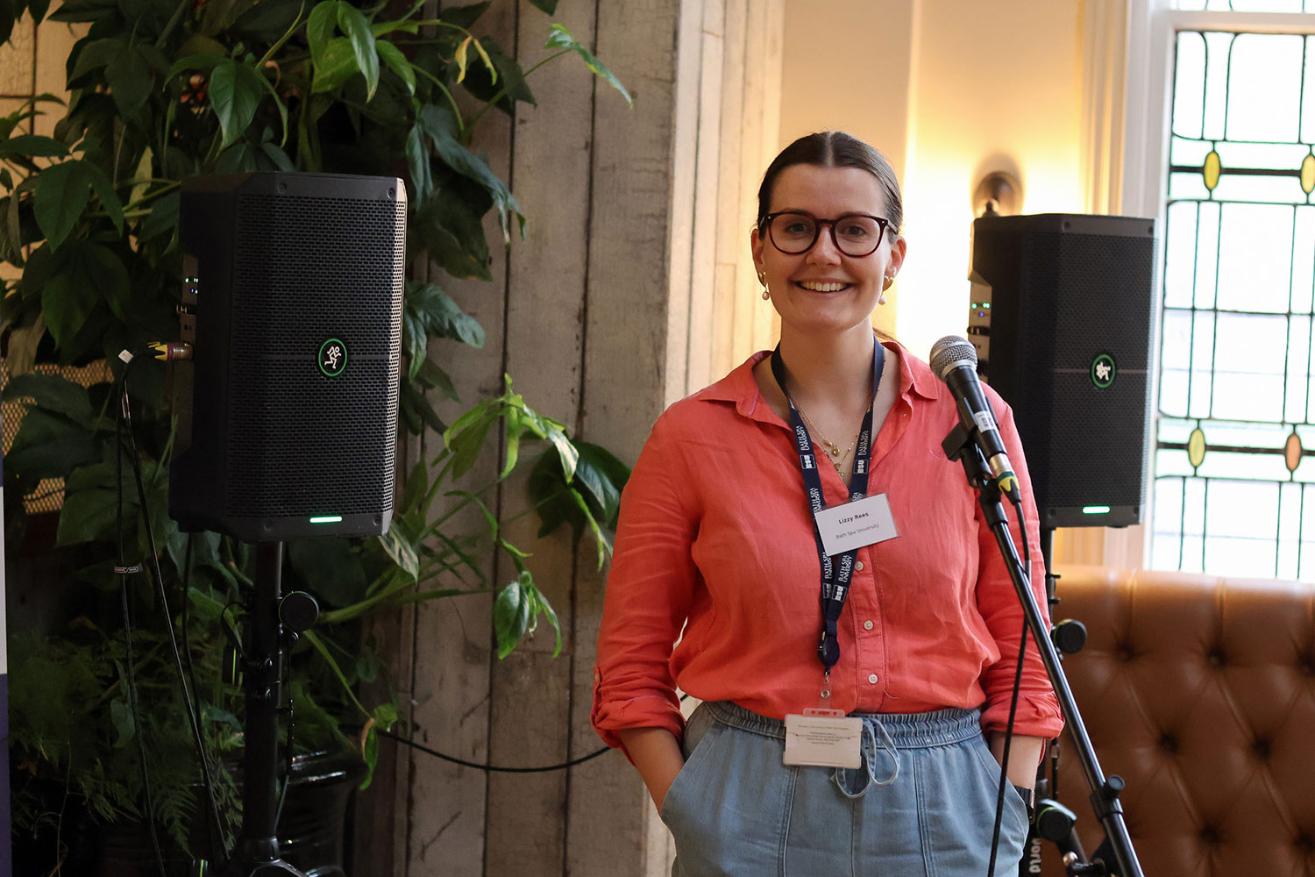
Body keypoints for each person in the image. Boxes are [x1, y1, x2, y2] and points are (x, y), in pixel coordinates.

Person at [590, 131, 1062, 876]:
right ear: (759, 251)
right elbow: (628, 662)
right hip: (748, 793)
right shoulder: (689, 437)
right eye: (796, 227)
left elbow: (1026, 643)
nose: (823, 254)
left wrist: (1005, 797)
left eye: (853, 230)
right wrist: (691, 801)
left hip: (950, 804)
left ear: (893, 257)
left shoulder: (972, 422)